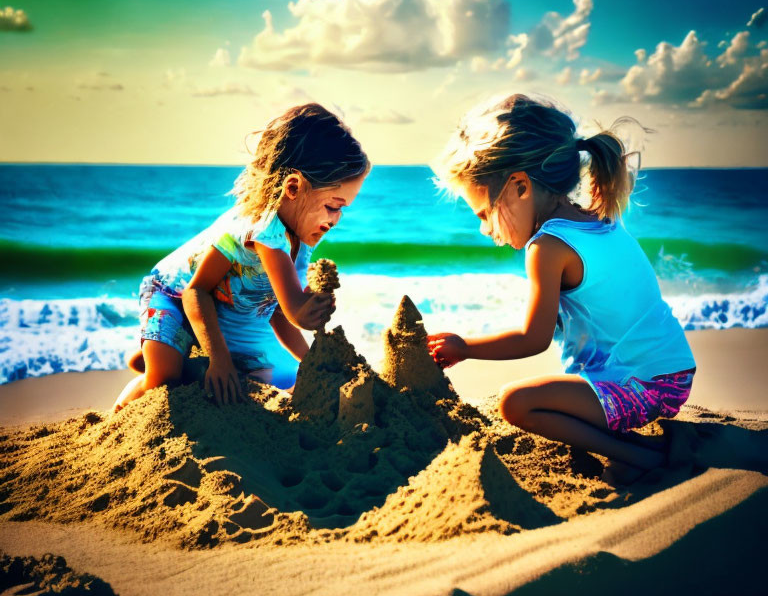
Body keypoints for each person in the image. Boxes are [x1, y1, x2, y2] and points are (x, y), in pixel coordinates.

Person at [427, 94, 696, 485]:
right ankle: (620, 441)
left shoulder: (547, 247)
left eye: (484, 214)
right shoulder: (602, 220)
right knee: (558, 389)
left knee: (517, 404)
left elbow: (532, 340)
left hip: (639, 386)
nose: (485, 229)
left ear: (519, 186)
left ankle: (641, 454)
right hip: (672, 375)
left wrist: (465, 348)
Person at [114, 103, 369, 410]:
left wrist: (311, 359)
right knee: (165, 380)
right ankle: (142, 381)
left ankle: (169, 348)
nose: (336, 218)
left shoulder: (301, 237)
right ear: (294, 187)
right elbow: (195, 292)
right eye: (332, 205)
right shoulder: (257, 230)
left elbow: (277, 310)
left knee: (251, 381)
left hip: (223, 309)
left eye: (343, 209)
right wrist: (218, 360)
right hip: (173, 294)